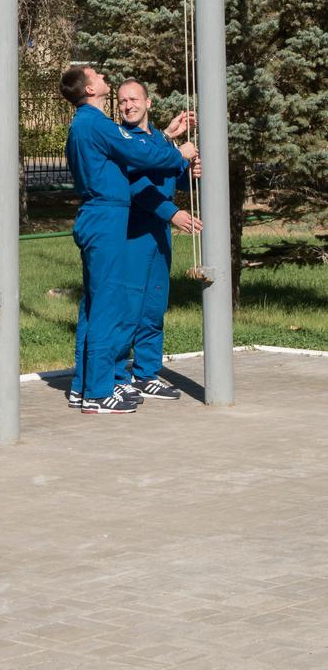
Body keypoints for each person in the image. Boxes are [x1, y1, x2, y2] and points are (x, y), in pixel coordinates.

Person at [60, 65, 198, 415]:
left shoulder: (88, 123)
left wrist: (169, 143)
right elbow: (140, 156)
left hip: (105, 216)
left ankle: (85, 387)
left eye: (133, 98)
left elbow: (144, 152)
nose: (105, 79)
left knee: (99, 305)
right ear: (90, 90)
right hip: (107, 216)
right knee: (109, 308)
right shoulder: (97, 123)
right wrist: (177, 153)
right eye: (99, 77)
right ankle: (98, 390)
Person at [115, 79, 202, 400]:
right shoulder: (123, 138)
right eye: (123, 101)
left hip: (159, 236)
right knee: (129, 306)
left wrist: (188, 172)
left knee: (153, 306)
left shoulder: (157, 138)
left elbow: (168, 174)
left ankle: (146, 373)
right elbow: (136, 184)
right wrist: (171, 212)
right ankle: (116, 373)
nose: (128, 105)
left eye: (134, 99)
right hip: (134, 233)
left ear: (148, 103)